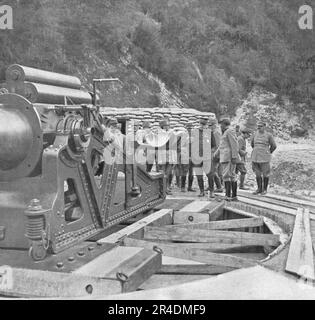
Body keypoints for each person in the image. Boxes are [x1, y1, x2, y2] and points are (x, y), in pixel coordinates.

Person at [214, 117, 239, 201]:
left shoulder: (229, 131)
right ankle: (232, 196)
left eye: (221, 124)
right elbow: (222, 145)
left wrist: (234, 156)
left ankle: (229, 195)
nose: (220, 126)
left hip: (228, 157)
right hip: (226, 156)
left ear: (224, 124)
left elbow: (234, 144)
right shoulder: (226, 132)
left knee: (227, 175)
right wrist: (216, 154)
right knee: (230, 175)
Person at [191, 117, 216, 197]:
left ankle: (211, 191)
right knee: (199, 175)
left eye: (204, 125)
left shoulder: (210, 132)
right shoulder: (194, 132)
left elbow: (214, 145)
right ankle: (201, 191)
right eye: (201, 124)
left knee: (210, 175)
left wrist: (210, 153)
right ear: (199, 124)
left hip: (207, 157)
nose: (202, 126)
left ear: (206, 125)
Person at [251, 121, 277, 195]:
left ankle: (264, 189)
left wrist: (268, 152)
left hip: (265, 158)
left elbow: (274, 146)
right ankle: (259, 189)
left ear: (264, 127)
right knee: (257, 174)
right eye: (258, 126)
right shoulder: (255, 134)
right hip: (255, 157)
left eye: (261, 126)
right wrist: (257, 150)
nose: (259, 127)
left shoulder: (269, 135)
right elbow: (252, 144)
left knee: (266, 174)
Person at [207, 118, 223, 198]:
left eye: (210, 125)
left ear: (214, 125)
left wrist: (214, 155)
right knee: (213, 172)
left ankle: (212, 190)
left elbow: (217, 146)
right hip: (213, 154)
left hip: (215, 155)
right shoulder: (213, 132)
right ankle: (219, 187)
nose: (209, 127)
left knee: (211, 172)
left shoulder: (216, 133)